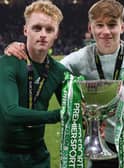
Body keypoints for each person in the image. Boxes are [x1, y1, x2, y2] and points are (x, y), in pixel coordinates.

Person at [4, 0, 124, 168]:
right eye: (99, 25)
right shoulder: (78, 60)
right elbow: (47, 65)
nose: (106, 31)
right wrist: (16, 47)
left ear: (122, 27)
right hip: (104, 143)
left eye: (112, 25)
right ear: (91, 29)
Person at [0, 0, 69, 168]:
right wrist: (57, 115)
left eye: (49, 29)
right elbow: (10, 113)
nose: (43, 34)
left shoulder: (59, 71)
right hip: (4, 156)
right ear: (26, 30)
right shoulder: (8, 63)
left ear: (56, 33)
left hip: (38, 156)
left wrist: (93, 118)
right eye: (37, 28)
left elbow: (72, 107)